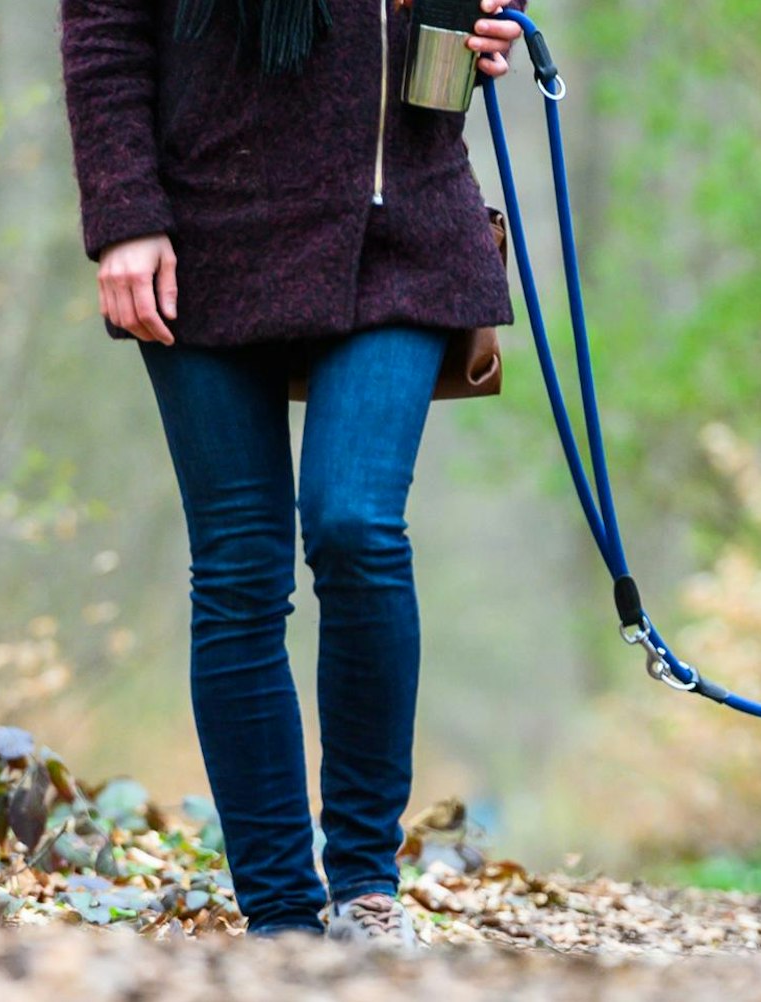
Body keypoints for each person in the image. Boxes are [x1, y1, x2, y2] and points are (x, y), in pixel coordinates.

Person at [57, 0, 527, 947]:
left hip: (398, 227)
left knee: (355, 524)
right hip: (202, 230)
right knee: (238, 566)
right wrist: (123, 215)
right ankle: (279, 916)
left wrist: (493, 24)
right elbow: (105, 28)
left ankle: (364, 887)